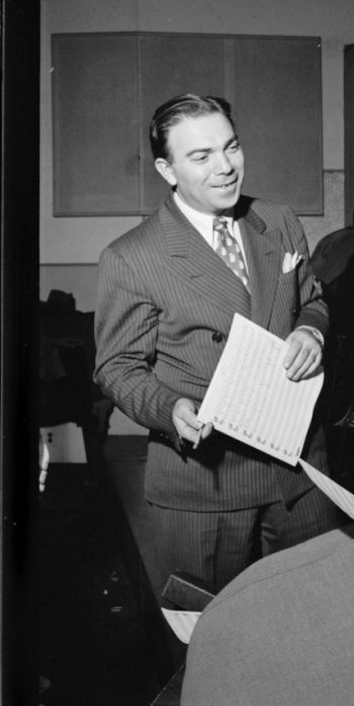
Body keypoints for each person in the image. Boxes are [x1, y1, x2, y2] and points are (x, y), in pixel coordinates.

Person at [95, 94, 339, 593]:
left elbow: (312, 298)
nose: (226, 168)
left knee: (314, 632)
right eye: (201, 156)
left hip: (300, 477)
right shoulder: (132, 256)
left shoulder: (280, 220)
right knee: (213, 647)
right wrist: (170, 408)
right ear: (167, 169)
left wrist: (311, 329)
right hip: (206, 487)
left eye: (231, 147)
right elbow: (117, 367)